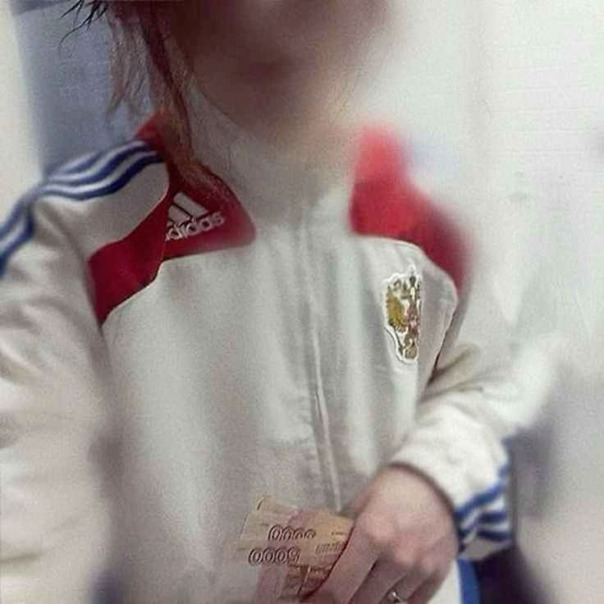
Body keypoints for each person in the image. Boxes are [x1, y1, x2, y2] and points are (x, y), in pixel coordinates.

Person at [0, 1, 523, 603]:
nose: (269, 15)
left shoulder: (432, 207)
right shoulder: (75, 247)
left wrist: (436, 480)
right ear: (143, 14)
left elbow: (484, 383)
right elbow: (27, 545)